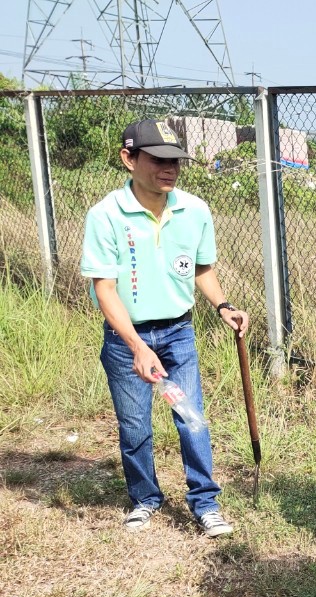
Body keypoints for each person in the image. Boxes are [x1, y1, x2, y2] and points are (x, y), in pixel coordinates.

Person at [81, 118, 249, 536]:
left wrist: (223, 305)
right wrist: (137, 345)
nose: (170, 168)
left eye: (176, 160)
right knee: (135, 424)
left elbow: (202, 269)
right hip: (127, 341)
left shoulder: (194, 210)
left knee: (191, 417)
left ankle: (205, 502)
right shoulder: (106, 215)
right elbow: (105, 290)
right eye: (158, 159)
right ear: (129, 158)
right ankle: (145, 498)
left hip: (178, 333)